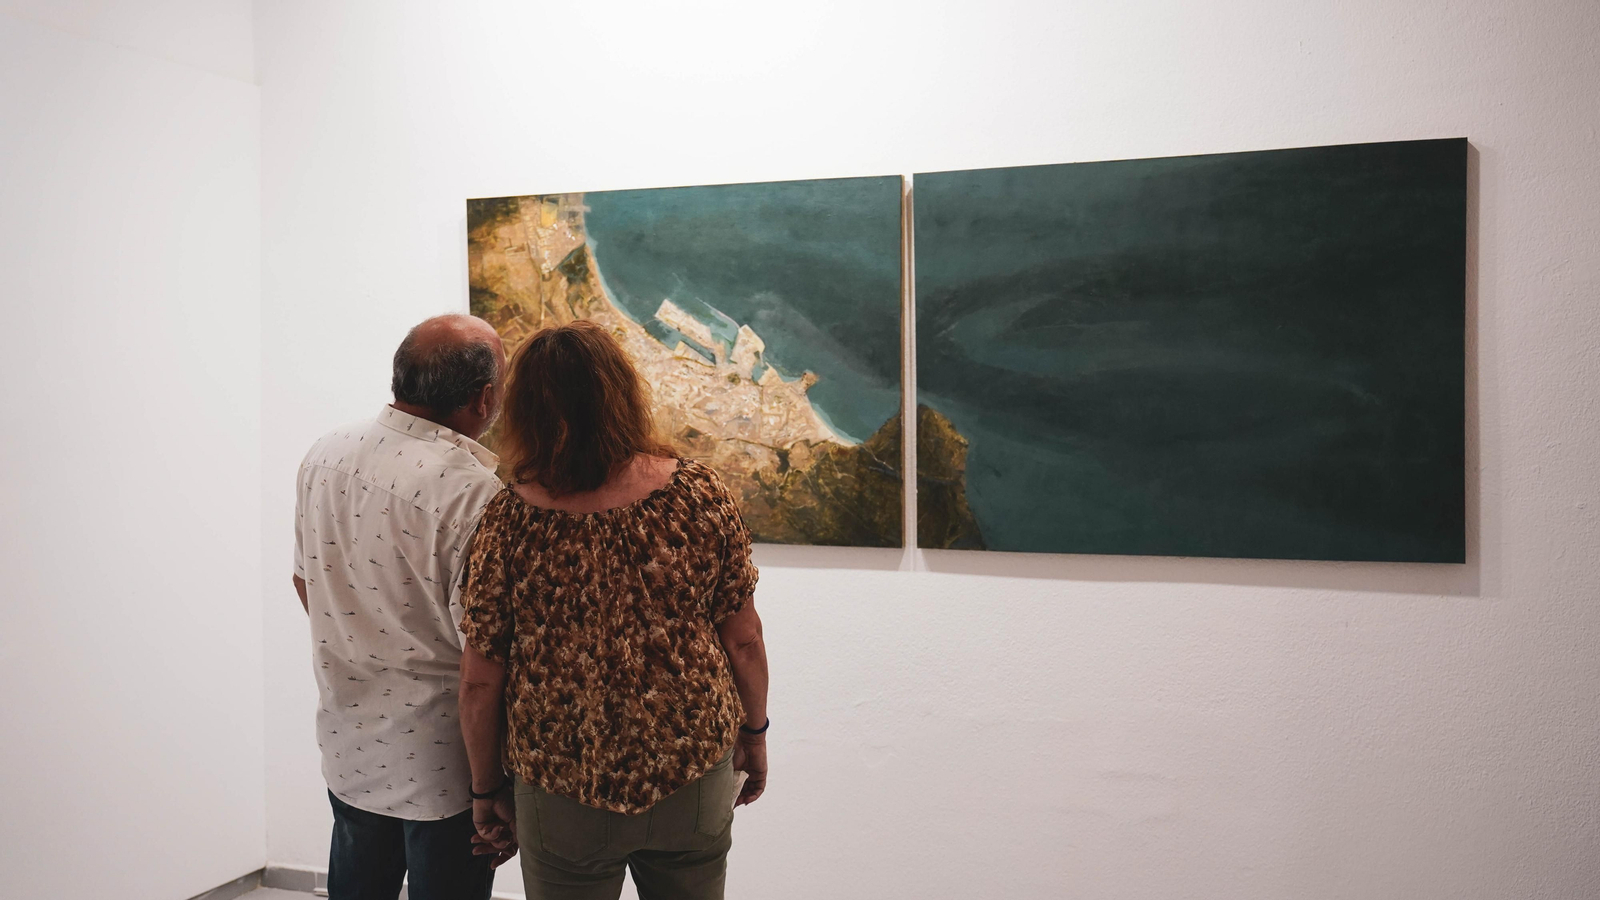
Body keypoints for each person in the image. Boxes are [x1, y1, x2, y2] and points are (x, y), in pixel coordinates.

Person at [457, 320, 770, 900]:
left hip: (561, 785)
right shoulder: (700, 495)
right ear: (623, 393)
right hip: (691, 772)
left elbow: (481, 680)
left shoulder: (508, 522)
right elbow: (743, 639)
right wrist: (756, 733)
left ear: (524, 409)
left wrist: (485, 790)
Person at [292, 314, 517, 900]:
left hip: (349, 736)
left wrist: (359, 648)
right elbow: (483, 662)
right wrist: (494, 786)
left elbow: (306, 585)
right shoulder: (474, 494)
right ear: (484, 398)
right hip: (442, 761)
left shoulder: (326, 453)